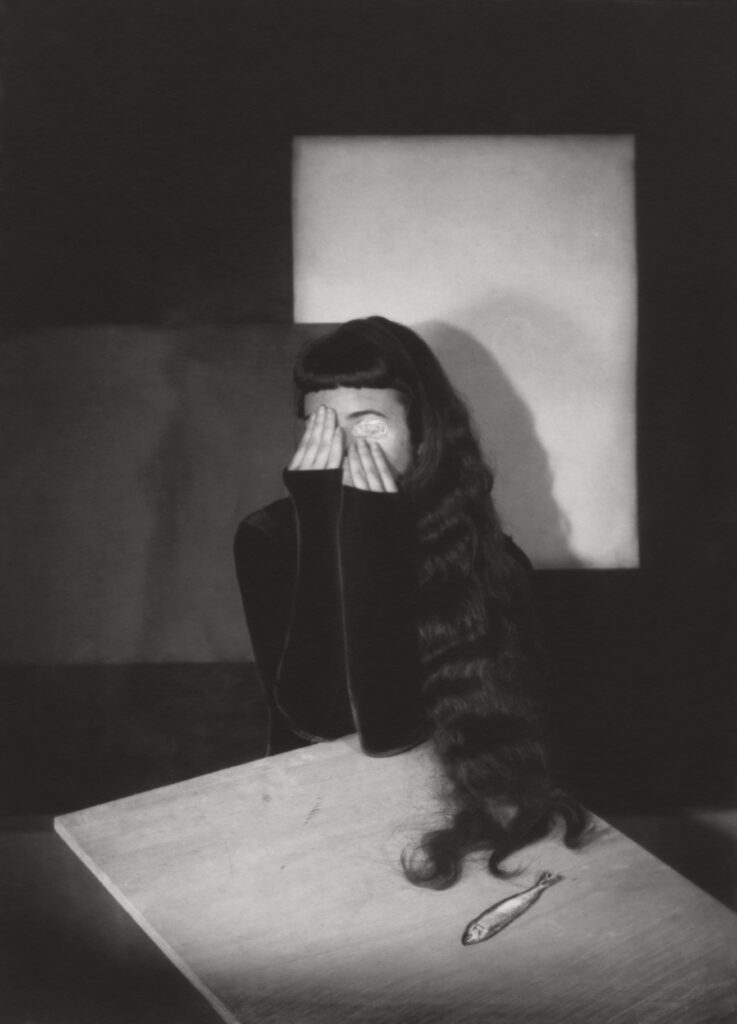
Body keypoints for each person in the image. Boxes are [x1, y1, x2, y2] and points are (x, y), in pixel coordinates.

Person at [234, 315, 588, 889]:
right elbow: (321, 719)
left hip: (441, 821)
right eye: (321, 426)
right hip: (312, 815)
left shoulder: (493, 557)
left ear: (422, 435)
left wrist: (368, 534)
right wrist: (328, 525)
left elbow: (394, 729)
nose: (342, 449)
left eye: (369, 426)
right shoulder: (270, 538)